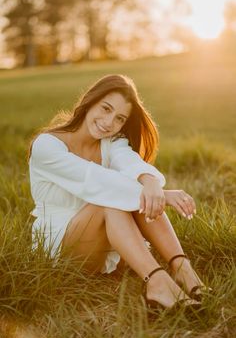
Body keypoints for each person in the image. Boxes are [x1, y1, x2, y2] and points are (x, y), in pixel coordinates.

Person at [28, 74, 208, 311]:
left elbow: (129, 161)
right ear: (90, 101)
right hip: (61, 247)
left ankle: (183, 269)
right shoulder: (47, 146)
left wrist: (150, 180)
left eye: (119, 118)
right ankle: (157, 283)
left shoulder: (111, 141)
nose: (109, 122)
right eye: (105, 108)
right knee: (110, 201)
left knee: (135, 194)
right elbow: (96, 181)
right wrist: (160, 194)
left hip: (103, 240)